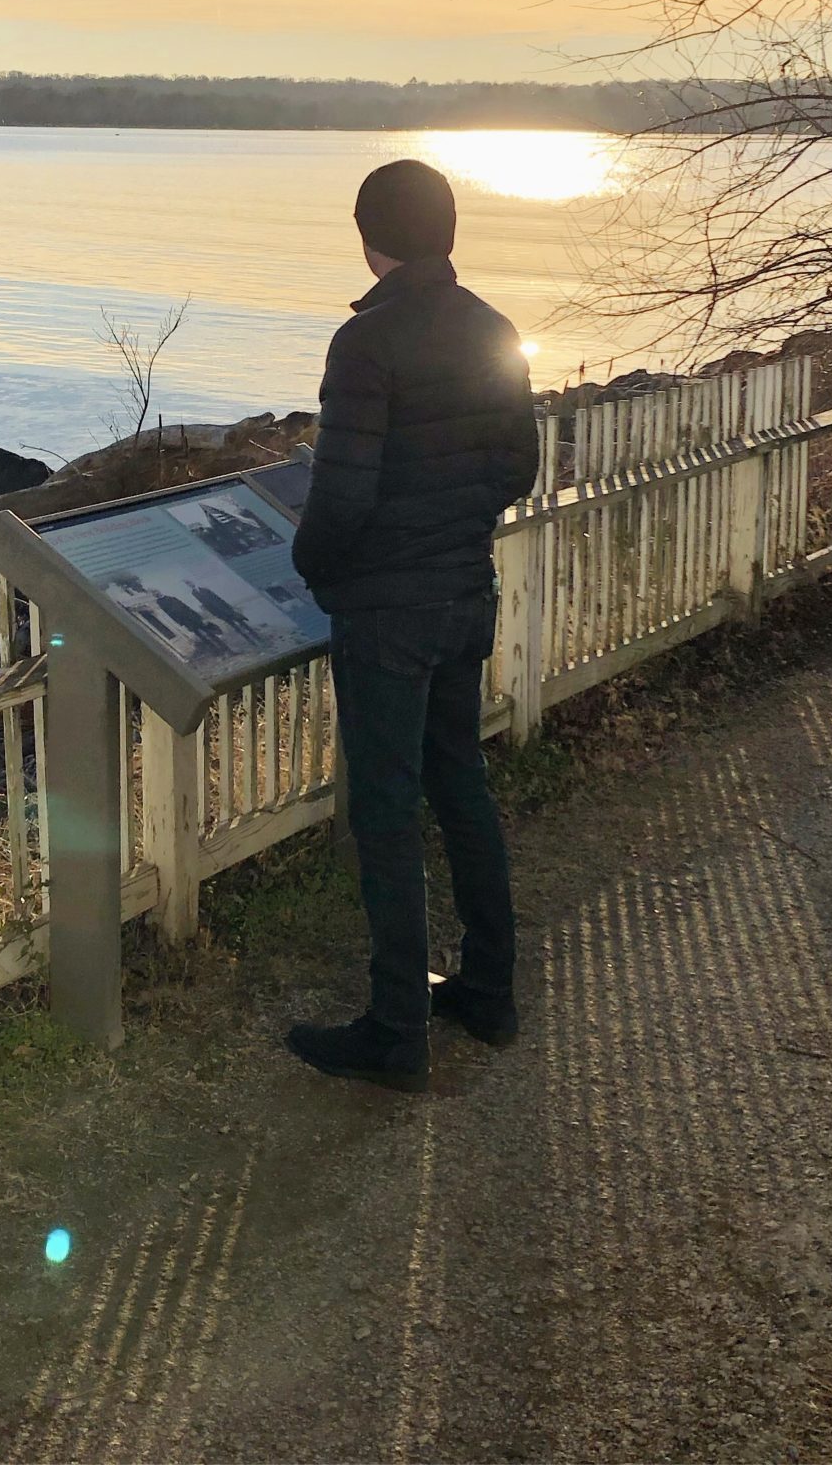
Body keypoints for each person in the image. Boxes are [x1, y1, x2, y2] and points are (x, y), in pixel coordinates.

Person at [286, 158, 540, 1092]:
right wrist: (450, 522)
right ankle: (490, 990)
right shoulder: (494, 329)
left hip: (387, 612)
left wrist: (315, 565)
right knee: (460, 783)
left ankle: (397, 1031)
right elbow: (520, 467)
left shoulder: (366, 347)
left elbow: (341, 495)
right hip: (463, 595)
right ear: (448, 232)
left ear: (368, 236)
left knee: (387, 814)